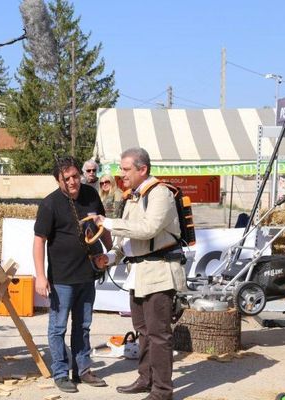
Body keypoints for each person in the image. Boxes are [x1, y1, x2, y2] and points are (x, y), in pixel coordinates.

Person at [92, 147, 186, 400]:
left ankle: (162, 391)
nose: (121, 174)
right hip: (140, 273)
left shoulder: (160, 194)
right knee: (144, 331)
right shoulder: (133, 196)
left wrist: (108, 222)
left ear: (142, 169)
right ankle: (146, 379)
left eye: (125, 169)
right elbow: (126, 241)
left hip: (159, 273)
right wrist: (110, 257)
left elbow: (148, 229)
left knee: (158, 335)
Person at [33, 156, 112, 394]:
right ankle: (60, 373)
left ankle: (83, 370)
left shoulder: (91, 195)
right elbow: (39, 242)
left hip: (87, 274)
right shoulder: (50, 204)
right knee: (58, 328)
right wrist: (40, 276)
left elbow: (102, 226)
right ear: (58, 180)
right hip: (61, 279)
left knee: (83, 326)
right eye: (66, 178)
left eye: (75, 176)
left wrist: (112, 252)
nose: (72, 181)